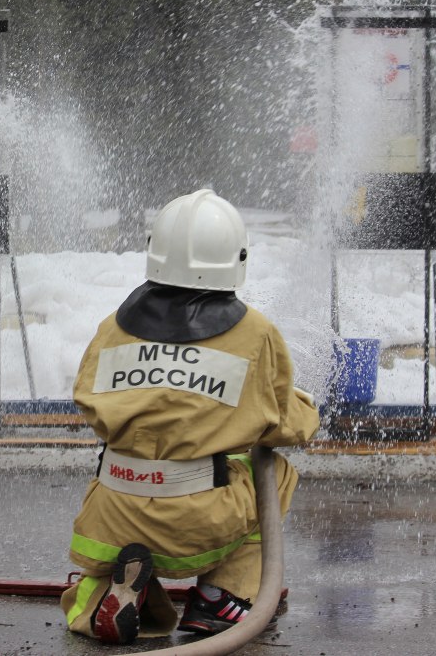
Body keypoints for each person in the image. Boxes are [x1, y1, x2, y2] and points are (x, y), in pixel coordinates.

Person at [61, 189, 320, 644]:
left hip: (110, 519)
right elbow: (281, 426)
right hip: (197, 526)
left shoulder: (113, 326)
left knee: (107, 547)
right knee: (274, 474)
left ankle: (100, 598)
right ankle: (219, 600)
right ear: (235, 256)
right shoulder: (255, 332)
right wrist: (307, 412)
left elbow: (90, 403)